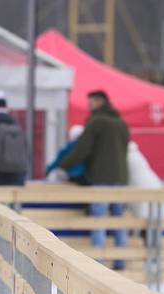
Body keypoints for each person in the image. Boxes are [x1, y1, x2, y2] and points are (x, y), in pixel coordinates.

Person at [58, 90, 130, 269]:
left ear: (99, 102)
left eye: (90, 102)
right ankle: (120, 260)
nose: (88, 106)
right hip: (121, 177)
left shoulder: (96, 121)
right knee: (118, 218)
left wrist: (63, 164)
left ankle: (98, 262)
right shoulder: (121, 123)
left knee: (98, 218)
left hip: (101, 177)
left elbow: (82, 148)